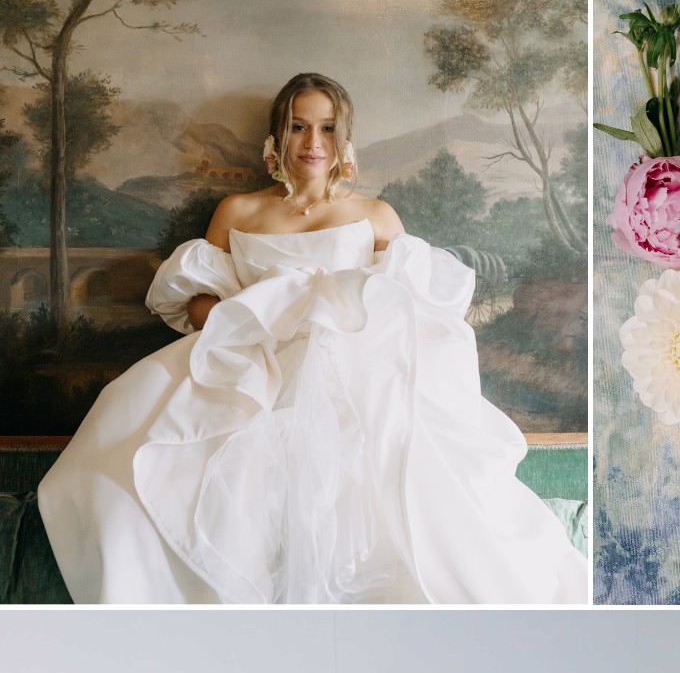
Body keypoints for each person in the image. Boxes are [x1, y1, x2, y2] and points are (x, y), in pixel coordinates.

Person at [38, 73, 587, 605]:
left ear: (344, 139)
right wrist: (259, 315)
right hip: (254, 372)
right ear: (277, 136)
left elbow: (414, 308)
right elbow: (198, 300)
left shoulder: (374, 215)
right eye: (299, 127)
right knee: (120, 451)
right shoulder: (238, 211)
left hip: (350, 381)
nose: (312, 142)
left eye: (326, 128)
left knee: (384, 502)